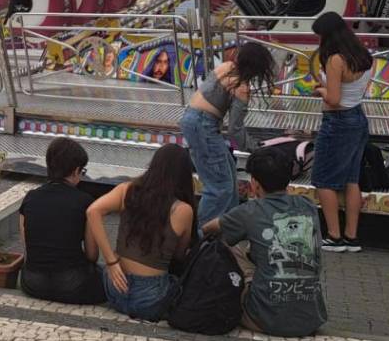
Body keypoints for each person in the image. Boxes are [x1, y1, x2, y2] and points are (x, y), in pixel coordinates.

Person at [203, 146, 327, 337]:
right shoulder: (307, 206)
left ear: (255, 183)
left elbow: (208, 229)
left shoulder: (249, 211)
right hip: (311, 319)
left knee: (228, 246)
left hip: (266, 319)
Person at [87, 143, 195, 321]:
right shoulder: (183, 210)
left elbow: (93, 211)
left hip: (115, 290)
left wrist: (111, 262)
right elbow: (179, 255)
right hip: (151, 300)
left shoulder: (126, 190)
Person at [180, 43, 278, 229]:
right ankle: (201, 235)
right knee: (219, 188)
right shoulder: (241, 87)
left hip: (192, 119)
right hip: (204, 126)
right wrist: (255, 148)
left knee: (229, 177)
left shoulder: (225, 67)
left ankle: (227, 229)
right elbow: (235, 129)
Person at [311, 12, 372, 252]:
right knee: (351, 179)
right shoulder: (363, 55)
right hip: (357, 117)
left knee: (323, 179)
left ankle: (334, 236)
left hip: (337, 122)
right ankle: (351, 237)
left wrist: (321, 91)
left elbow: (334, 99)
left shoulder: (336, 59)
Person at [18, 138, 106, 305]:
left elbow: (28, 248)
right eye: (82, 171)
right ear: (75, 171)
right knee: (105, 274)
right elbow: (92, 255)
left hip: (32, 283)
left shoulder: (30, 198)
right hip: (73, 284)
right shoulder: (86, 202)